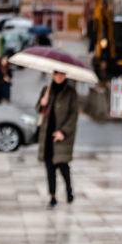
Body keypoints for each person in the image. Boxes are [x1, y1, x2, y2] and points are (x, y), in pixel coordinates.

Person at [37, 71, 78, 210]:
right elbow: (39, 109)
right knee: (49, 167)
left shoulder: (71, 93)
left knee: (63, 166)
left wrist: (63, 132)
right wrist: (43, 103)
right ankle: (53, 197)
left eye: (62, 74)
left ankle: (69, 188)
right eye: (56, 73)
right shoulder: (46, 89)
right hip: (47, 134)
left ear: (66, 75)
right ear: (52, 74)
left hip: (62, 136)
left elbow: (74, 116)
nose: (59, 76)